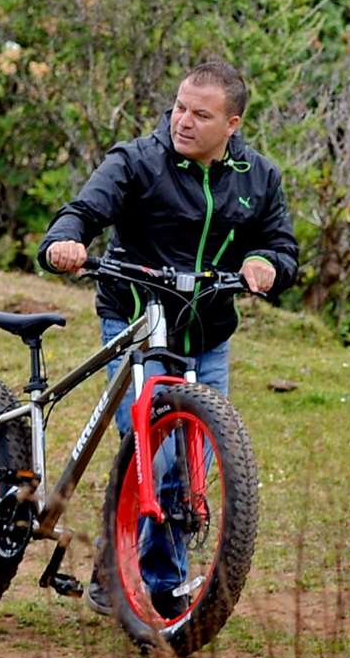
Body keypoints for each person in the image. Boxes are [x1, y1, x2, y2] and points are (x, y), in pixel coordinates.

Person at [40, 62, 295, 610]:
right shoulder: (136, 160)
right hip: (136, 323)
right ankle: (159, 586)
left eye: (201, 114)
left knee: (195, 462)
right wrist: (66, 242)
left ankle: (118, 573)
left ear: (231, 123)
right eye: (180, 107)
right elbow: (82, 213)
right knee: (155, 458)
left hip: (208, 334)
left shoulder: (259, 176)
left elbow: (280, 244)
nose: (183, 121)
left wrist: (264, 263)